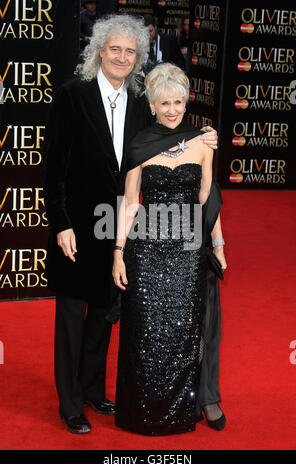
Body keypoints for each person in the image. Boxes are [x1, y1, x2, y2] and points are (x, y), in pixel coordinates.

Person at [43, 14, 218, 435]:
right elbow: (53, 170)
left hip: (121, 224)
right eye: (114, 49)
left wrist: (204, 136)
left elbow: (166, 139)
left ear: (138, 57)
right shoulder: (72, 95)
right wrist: (60, 222)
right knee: (71, 313)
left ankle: (91, 388)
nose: (122, 57)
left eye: (130, 51)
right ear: (99, 51)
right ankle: (70, 405)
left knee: (104, 312)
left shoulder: (142, 100)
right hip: (77, 225)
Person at [112, 62, 226, 436]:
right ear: (153, 105)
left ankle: (179, 413)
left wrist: (217, 244)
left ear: (186, 101)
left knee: (183, 335)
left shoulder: (202, 142)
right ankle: (140, 413)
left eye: (179, 102)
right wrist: (117, 252)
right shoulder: (141, 144)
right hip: (146, 250)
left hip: (188, 252)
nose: (173, 110)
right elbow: (129, 203)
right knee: (144, 333)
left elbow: (209, 199)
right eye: (165, 103)